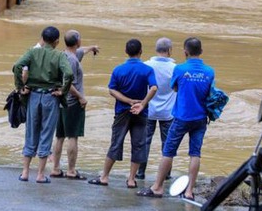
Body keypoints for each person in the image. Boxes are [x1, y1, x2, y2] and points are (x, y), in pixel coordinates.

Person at [138, 37, 215, 200]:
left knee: (168, 151)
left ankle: (157, 187)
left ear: (185, 52)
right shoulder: (209, 71)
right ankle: (189, 192)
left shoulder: (179, 69)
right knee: (195, 153)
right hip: (201, 118)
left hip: (181, 117)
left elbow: (175, 87)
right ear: (201, 51)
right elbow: (210, 93)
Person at [88, 38, 157, 189]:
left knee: (116, 143)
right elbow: (153, 88)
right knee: (138, 145)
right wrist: (141, 103)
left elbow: (112, 90)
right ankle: (131, 179)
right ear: (141, 52)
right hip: (141, 112)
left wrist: (128, 101)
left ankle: (104, 176)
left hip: (122, 112)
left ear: (126, 52)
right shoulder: (147, 70)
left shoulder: (118, 69)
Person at [12, 26, 73, 183]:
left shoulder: (32, 52)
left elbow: (17, 66)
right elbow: (69, 74)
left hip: (33, 96)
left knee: (31, 132)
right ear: (57, 42)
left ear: (42, 38)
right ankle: (40, 174)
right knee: (46, 133)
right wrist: (63, 91)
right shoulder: (59, 56)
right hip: (50, 97)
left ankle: (25, 172)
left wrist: (20, 87)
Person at [50, 30, 99, 180]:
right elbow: (68, 82)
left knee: (59, 136)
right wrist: (81, 97)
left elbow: (80, 51)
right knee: (72, 137)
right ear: (77, 41)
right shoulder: (72, 60)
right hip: (72, 102)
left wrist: (91, 48)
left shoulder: (64, 55)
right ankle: (71, 171)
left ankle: (56, 169)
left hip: (60, 102)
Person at [136, 37, 176, 181]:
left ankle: (140, 172)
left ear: (156, 49)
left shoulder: (146, 65)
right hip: (168, 112)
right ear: (170, 51)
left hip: (148, 109)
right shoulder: (175, 68)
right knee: (168, 143)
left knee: (144, 141)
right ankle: (166, 174)